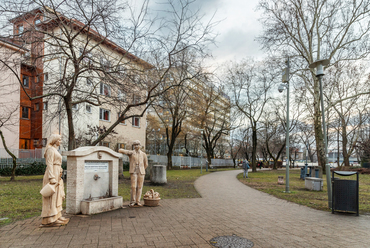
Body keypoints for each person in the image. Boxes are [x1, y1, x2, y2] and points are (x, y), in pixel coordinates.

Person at [41, 133, 68, 226]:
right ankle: (49, 219)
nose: (60, 141)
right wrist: (51, 177)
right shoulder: (50, 150)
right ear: (54, 141)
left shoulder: (55, 150)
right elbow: (49, 164)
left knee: (57, 197)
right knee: (51, 197)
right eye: (59, 140)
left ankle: (57, 216)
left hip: (57, 173)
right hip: (52, 174)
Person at [119, 140, 148, 207]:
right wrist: (126, 151)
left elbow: (146, 164)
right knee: (133, 186)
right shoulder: (131, 153)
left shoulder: (143, 154)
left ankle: (138, 201)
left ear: (140, 146)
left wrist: (142, 169)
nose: (136, 146)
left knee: (140, 186)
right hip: (133, 171)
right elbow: (120, 150)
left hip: (141, 171)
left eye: (137, 145)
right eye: (135, 145)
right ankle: (133, 201)